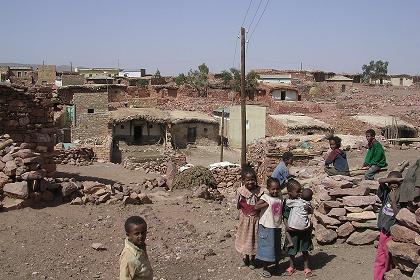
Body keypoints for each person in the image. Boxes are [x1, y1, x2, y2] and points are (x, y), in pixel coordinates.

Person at [374, 171, 404, 280]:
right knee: (380, 258)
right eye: (391, 182)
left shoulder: (402, 197)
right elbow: (380, 180)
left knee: (389, 260)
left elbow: (399, 216)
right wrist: (395, 180)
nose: (394, 185)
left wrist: (394, 202)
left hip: (392, 234)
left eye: (396, 182)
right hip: (383, 232)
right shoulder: (386, 192)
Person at [235, 164, 265, 270]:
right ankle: (245, 258)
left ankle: (253, 259)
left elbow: (263, 204)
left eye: (252, 179)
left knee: (254, 240)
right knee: (245, 239)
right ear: (243, 180)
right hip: (245, 220)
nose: (250, 182)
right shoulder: (241, 191)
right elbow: (238, 204)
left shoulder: (260, 191)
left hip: (256, 220)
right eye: (247, 180)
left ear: (256, 180)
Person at [282, 179, 314, 277]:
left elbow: (310, 211)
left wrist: (308, 209)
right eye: (297, 191)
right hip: (292, 230)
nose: (300, 193)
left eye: (300, 190)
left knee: (305, 249)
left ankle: (306, 267)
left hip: (304, 230)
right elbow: (284, 215)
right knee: (292, 249)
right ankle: (291, 266)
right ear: (290, 192)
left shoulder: (303, 201)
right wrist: (287, 226)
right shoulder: (288, 202)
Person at [255, 177, 283, 278]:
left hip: (276, 226)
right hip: (266, 226)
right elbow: (256, 206)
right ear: (268, 188)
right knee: (267, 248)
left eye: (277, 189)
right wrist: (266, 204)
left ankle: (276, 266)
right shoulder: (266, 197)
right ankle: (265, 268)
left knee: (276, 247)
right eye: (273, 189)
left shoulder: (280, 196)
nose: (275, 191)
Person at [120, 216, 153, 280]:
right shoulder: (128, 257)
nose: (141, 236)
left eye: (143, 233)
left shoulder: (139, 246)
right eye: (136, 234)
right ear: (128, 235)